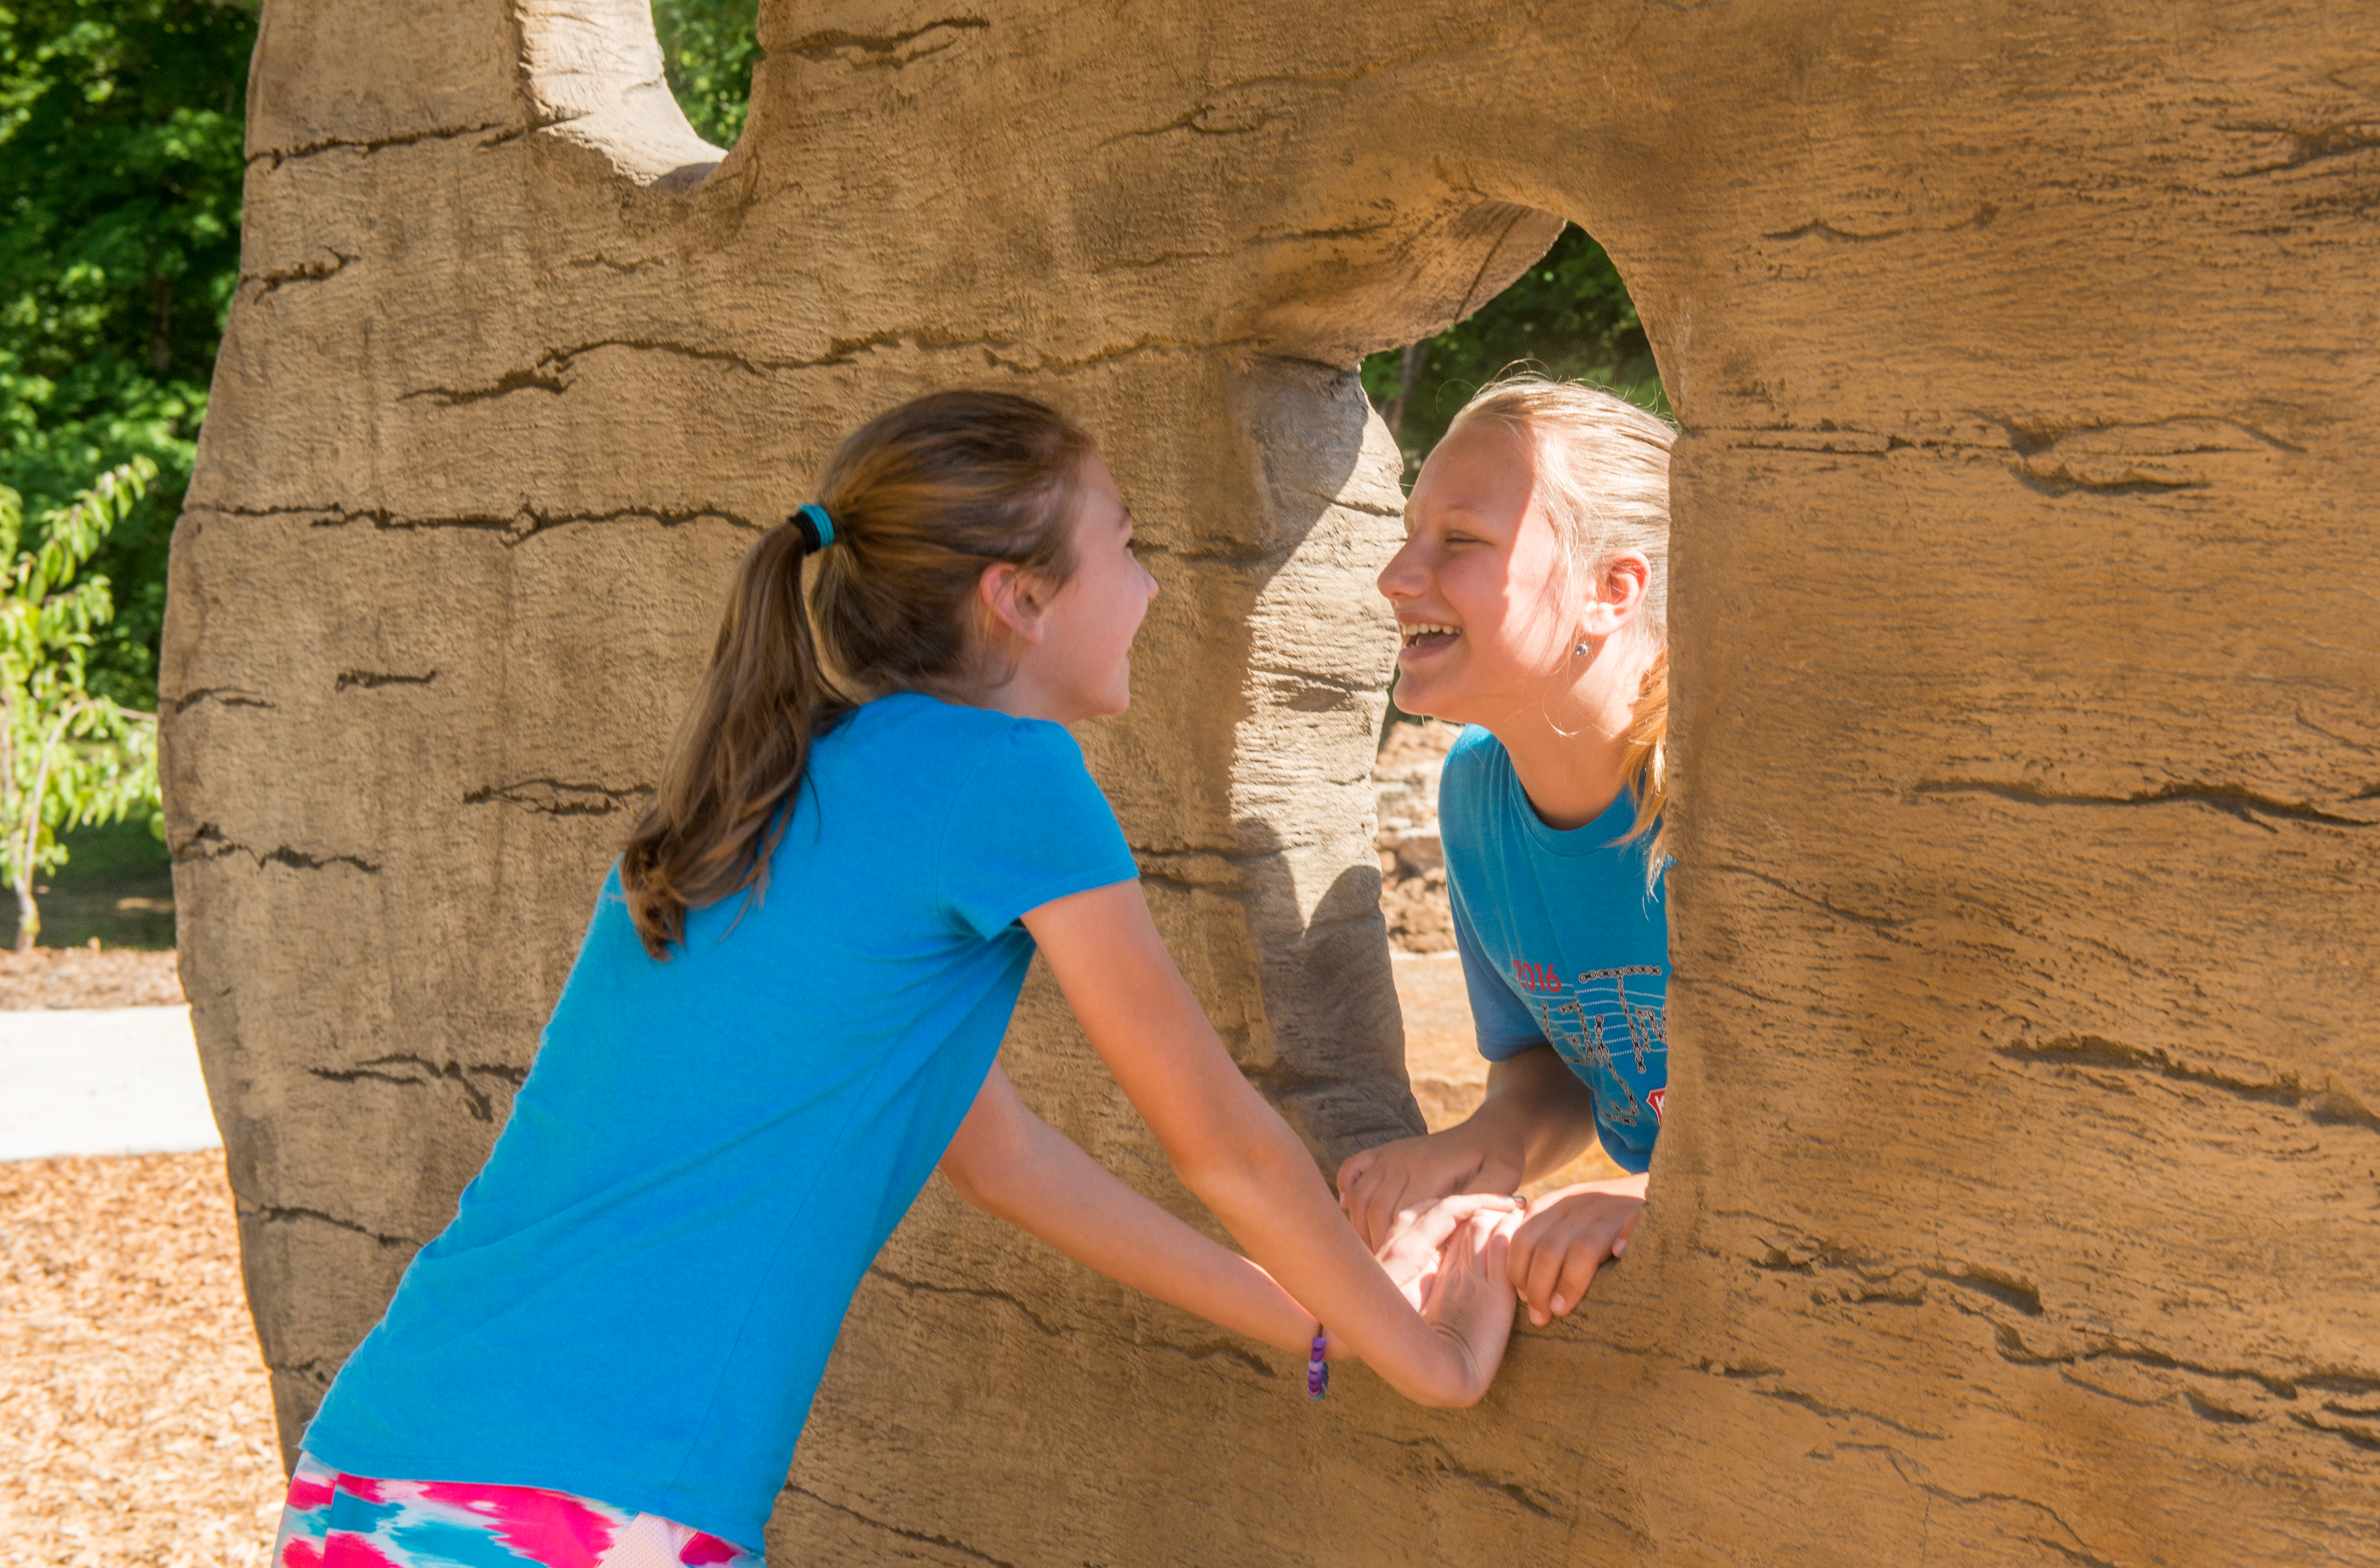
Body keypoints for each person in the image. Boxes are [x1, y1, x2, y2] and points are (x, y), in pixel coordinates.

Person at [275, 390, 1515, 1568]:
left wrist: (1319, 1322)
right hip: (586, 1504)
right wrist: (1426, 1358)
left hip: (388, 1459)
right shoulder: (1009, 777)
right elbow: (1221, 1144)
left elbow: (1002, 1162)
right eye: (1126, 547)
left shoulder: (778, 777)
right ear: (1018, 599)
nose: (1147, 587)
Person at [1339, 375, 1675, 1331]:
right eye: (1410, 533)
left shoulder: (1741, 805)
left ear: (1610, 590)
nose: (1397, 576)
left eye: (1460, 540)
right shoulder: (1476, 794)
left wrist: (1664, 1197)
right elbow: (1563, 1062)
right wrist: (1488, 1141)